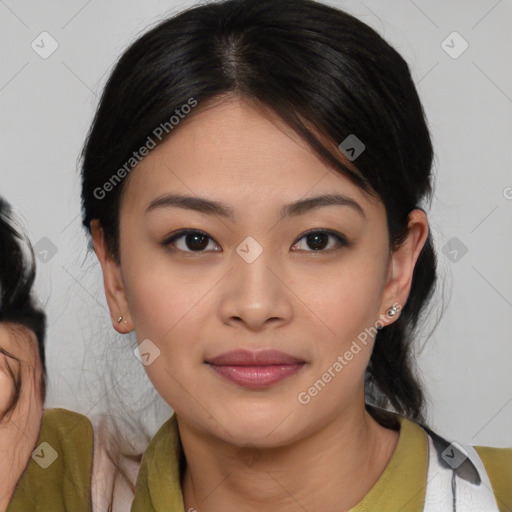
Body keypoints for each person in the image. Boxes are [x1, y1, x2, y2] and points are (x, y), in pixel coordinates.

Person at [78, 0, 511, 510]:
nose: (256, 306)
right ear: (116, 276)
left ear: (397, 269)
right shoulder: (44, 482)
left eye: (317, 240)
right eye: (194, 240)